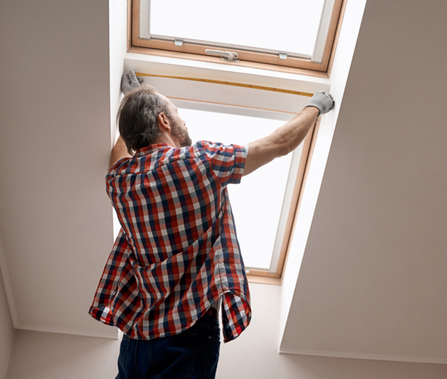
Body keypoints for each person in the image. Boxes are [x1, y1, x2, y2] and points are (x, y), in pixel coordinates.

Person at [89, 70, 334, 379]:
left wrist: (131, 101)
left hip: (137, 340)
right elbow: (280, 144)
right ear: (164, 121)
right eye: (177, 113)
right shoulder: (200, 161)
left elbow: (119, 153)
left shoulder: (119, 182)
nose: (184, 121)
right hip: (188, 333)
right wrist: (316, 106)